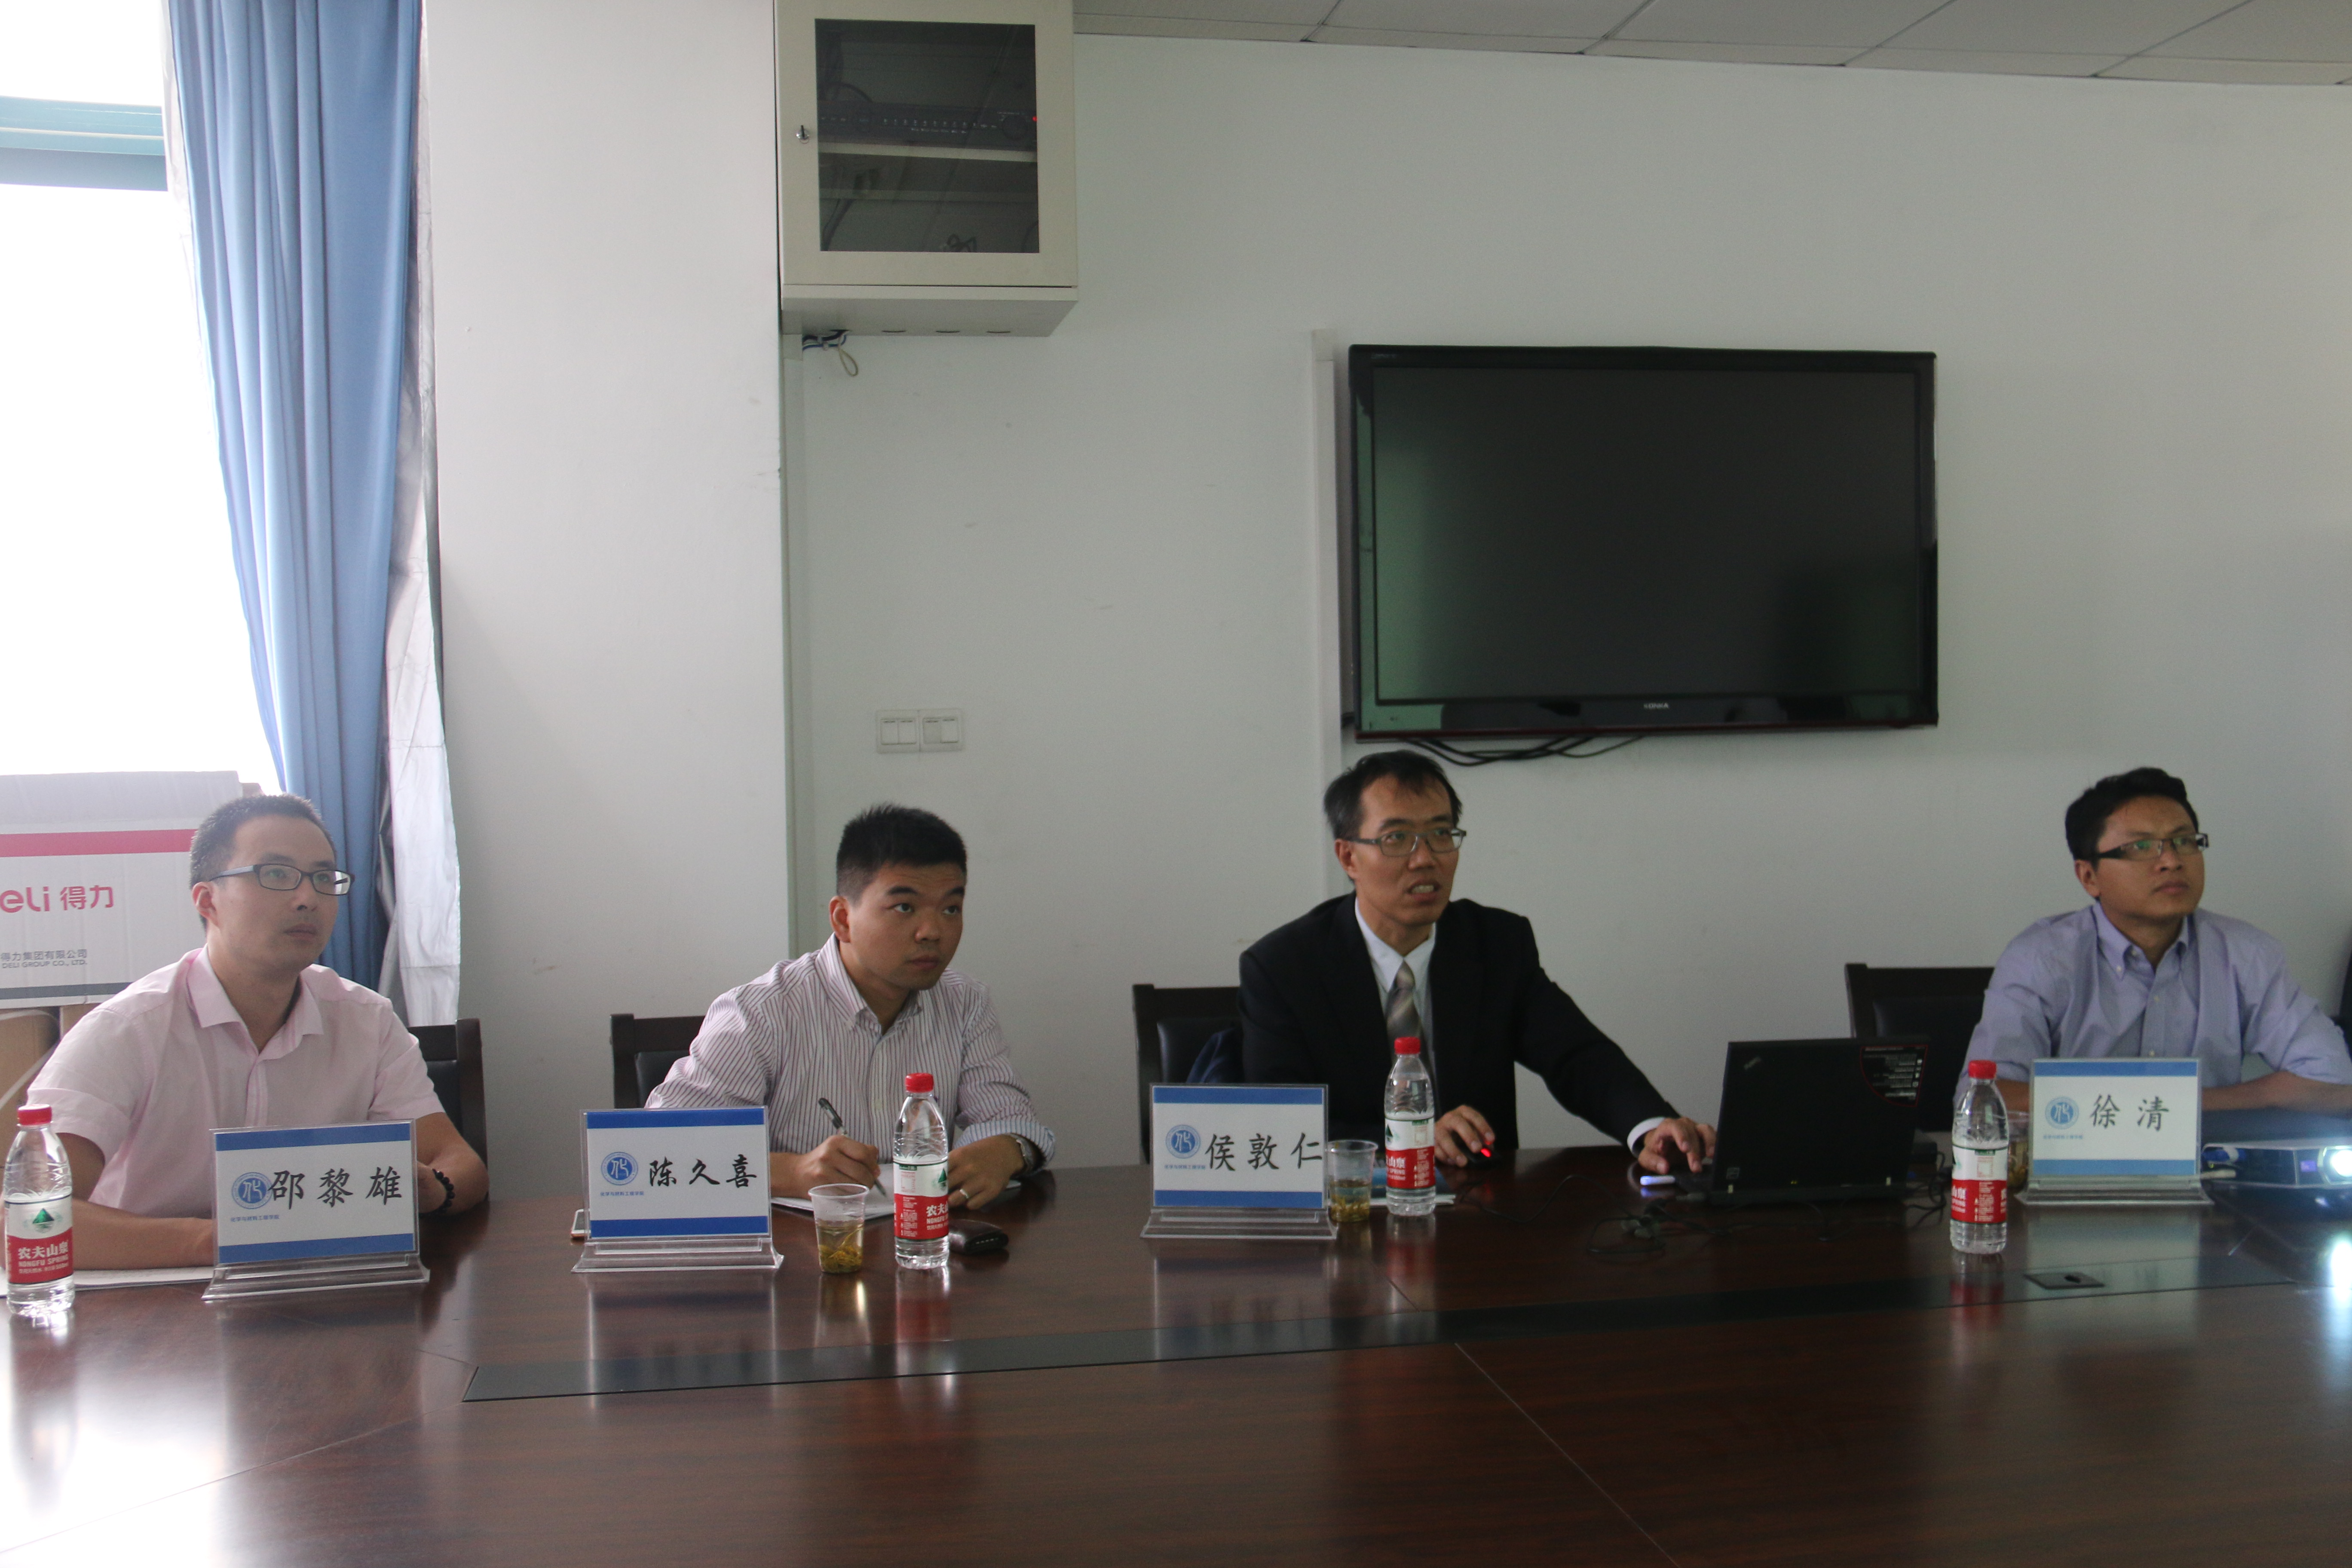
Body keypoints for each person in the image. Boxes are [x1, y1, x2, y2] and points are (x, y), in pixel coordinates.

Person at [27, 794, 487, 1269]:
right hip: (158, 1293)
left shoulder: (365, 1020)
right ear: (208, 901)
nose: (307, 898)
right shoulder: (126, 1030)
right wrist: (226, 1240)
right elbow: (32, 1217)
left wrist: (433, 1190)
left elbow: (460, 1163)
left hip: (324, 1289)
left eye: (323, 878)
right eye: (277, 874)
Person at [1240, 751, 1714, 1174]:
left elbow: (1577, 1056)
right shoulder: (1283, 968)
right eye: (1397, 838)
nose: (1425, 859)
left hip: (1483, 1205)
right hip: (1353, 1210)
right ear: (1348, 857)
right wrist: (1412, 1140)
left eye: (1440, 834)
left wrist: (1648, 1127)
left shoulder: (1496, 944)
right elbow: (1282, 1122)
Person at [648, 804, 1053, 1208]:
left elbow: (1011, 1118)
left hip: (924, 1237)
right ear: (843, 919)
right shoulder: (761, 1012)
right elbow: (662, 1147)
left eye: (951, 909)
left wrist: (1006, 1148)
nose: (933, 932)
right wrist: (792, 1172)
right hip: (801, 1241)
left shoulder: (965, 1003)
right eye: (905, 908)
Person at [1966, 766, 2352, 1115]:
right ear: (2089, 877)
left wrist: (2162, 1110)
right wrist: (2260, 1094)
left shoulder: (2245, 954)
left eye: (2184, 841)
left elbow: (2335, 1083)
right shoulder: (2042, 958)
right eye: (2141, 847)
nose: (2172, 861)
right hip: (2073, 1166)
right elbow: (1983, 1097)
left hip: (2210, 1164)